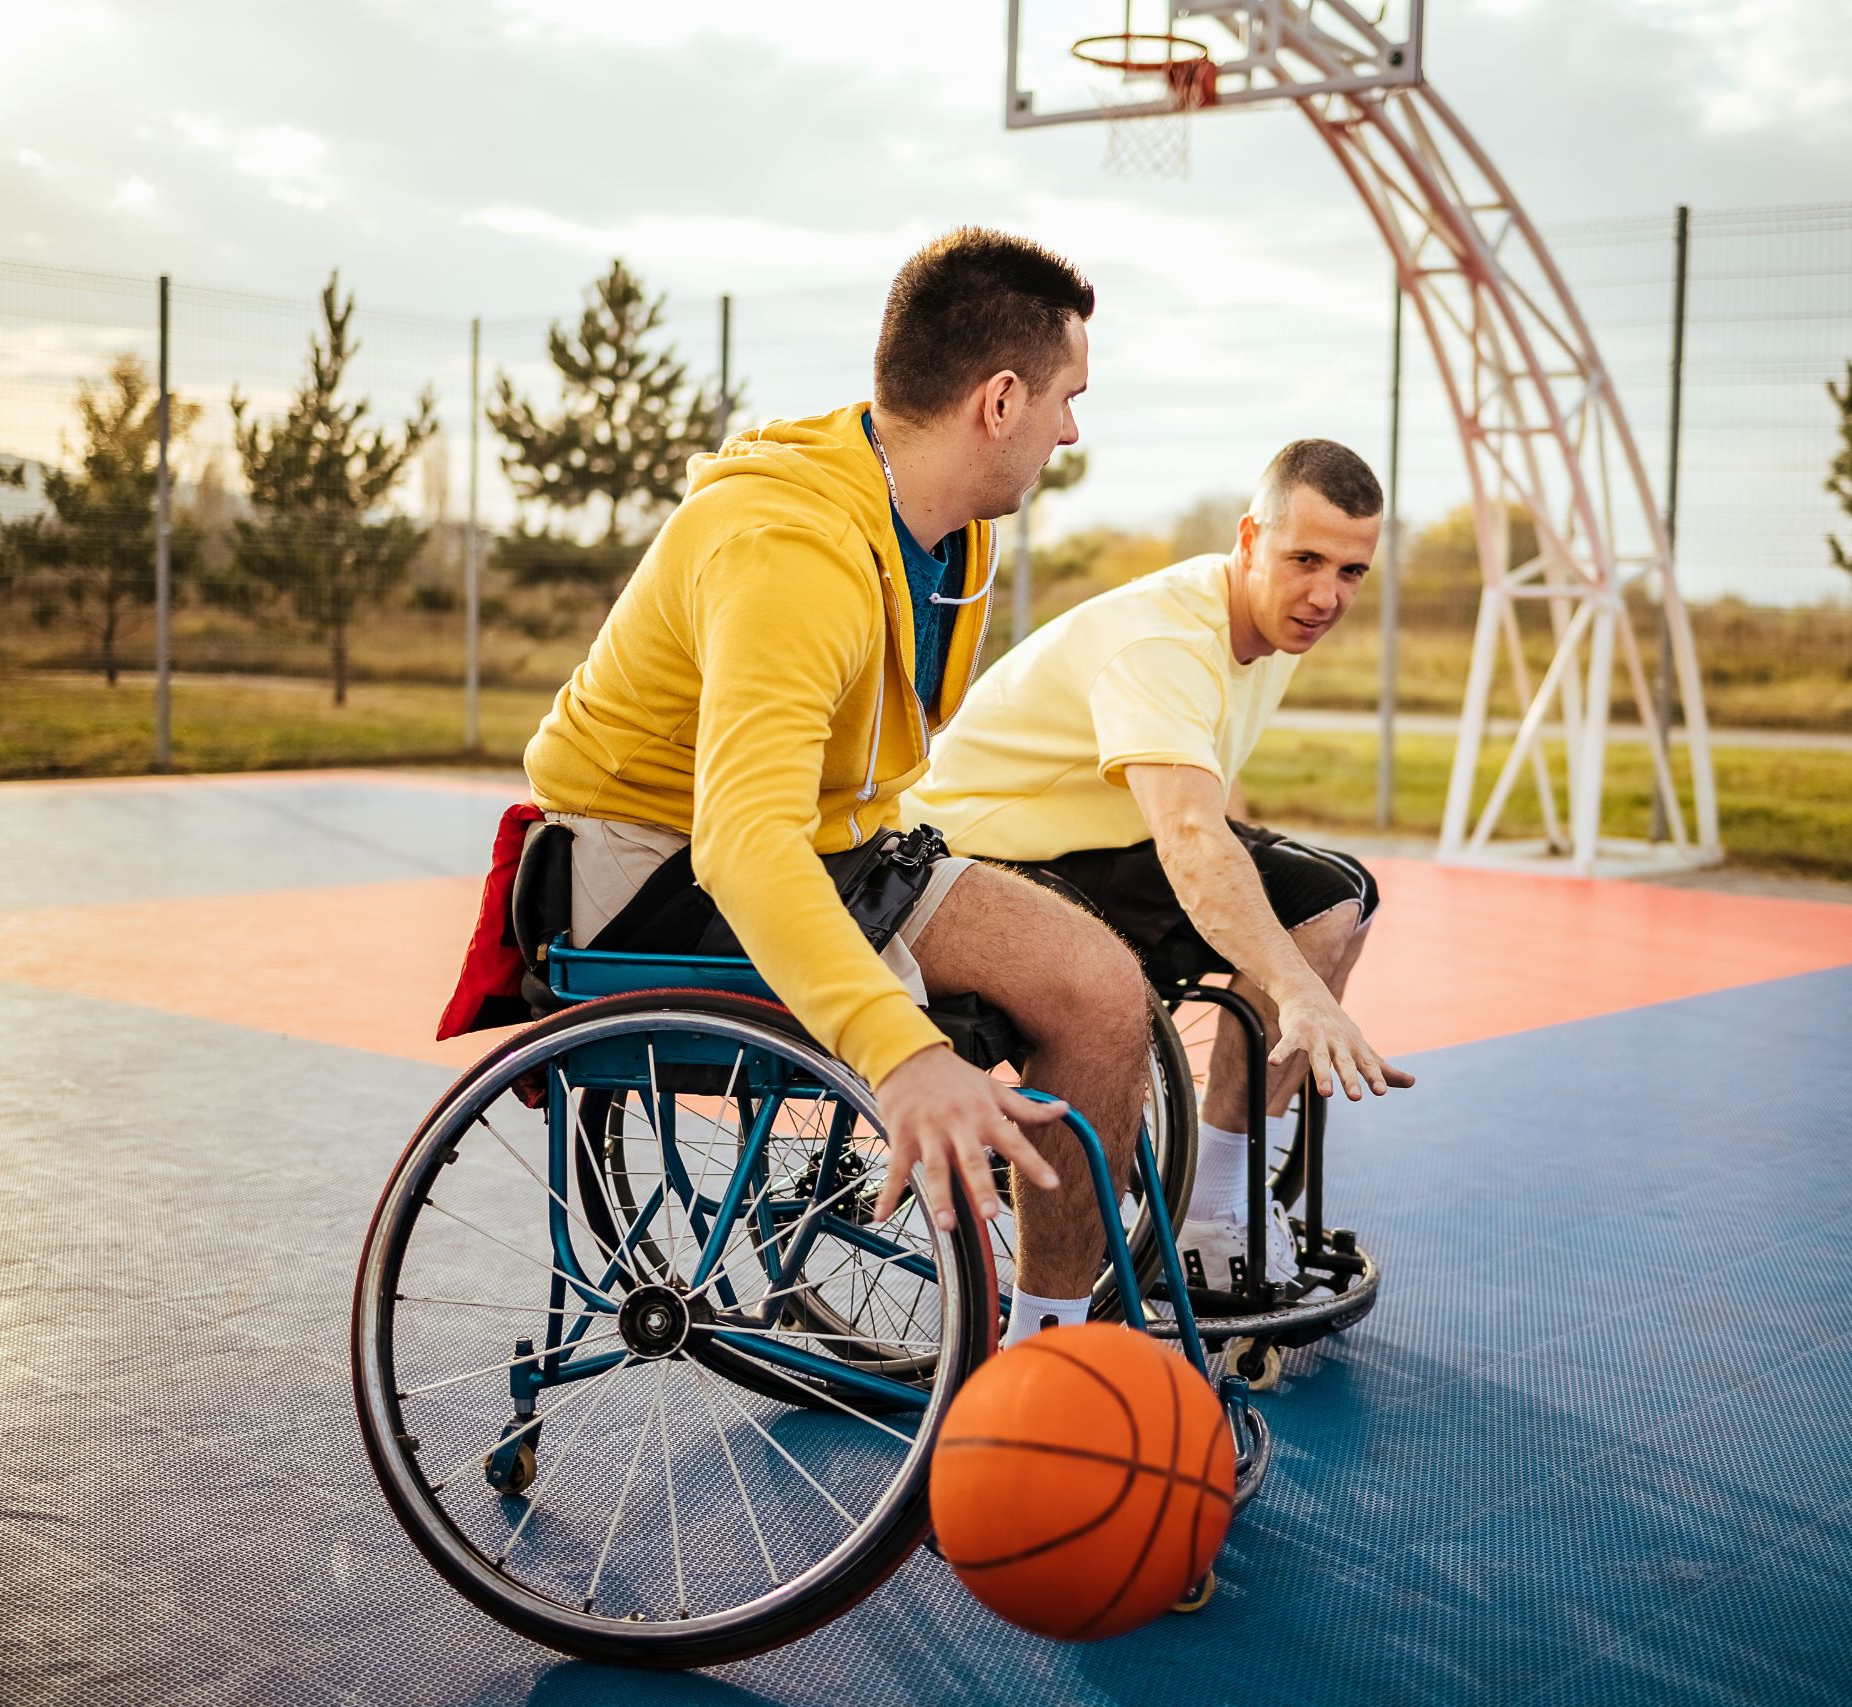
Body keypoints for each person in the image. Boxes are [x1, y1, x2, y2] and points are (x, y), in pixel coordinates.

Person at [521, 229, 1153, 1346]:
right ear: (999, 400)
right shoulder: (789, 549)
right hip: (651, 868)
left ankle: (1045, 1347)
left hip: (821, 845)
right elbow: (742, 840)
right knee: (967, 1036)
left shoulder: (939, 533)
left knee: (1101, 989)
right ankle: (1018, 1358)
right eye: (1066, 398)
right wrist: (903, 1055)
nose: (1071, 429)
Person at [899, 438, 1414, 1294]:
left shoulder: (1267, 626)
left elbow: (1212, 792)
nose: (1327, 595)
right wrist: (1299, 990)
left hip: (1086, 838)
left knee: (1338, 894)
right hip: (982, 851)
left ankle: (1216, 1187)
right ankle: (1210, 1208)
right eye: (1306, 560)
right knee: (1307, 920)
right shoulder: (1166, 639)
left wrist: (1287, 935)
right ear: (1251, 540)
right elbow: (1188, 837)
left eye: (1353, 572)